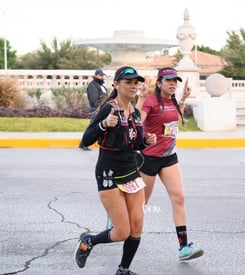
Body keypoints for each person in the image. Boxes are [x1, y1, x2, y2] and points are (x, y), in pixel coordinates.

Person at [75, 66, 156, 275]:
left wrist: (146, 141)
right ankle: (88, 242)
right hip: (109, 174)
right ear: (116, 85)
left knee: (136, 227)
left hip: (130, 172)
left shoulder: (135, 112)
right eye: (128, 82)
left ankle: (123, 270)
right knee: (122, 231)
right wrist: (103, 124)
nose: (133, 86)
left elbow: (134, 142)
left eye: (135, 82)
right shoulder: (109, 109)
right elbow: (85, 140)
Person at [135, 67, 204, 261]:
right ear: (159, 83)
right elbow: (138, 121)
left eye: (175, 80)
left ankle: (183, 247)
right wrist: (140, 97)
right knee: (141, 204)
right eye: (168, 80)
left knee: (179, 197)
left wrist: (183, 100)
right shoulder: (151, 101)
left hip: (169, 157)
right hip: (149, 158)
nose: (173, 83)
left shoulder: (172, 100)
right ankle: (118, 222)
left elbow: (175, 119)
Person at [80, 69, 108, 151]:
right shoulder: (93, 85)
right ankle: (84, 143)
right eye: (100, 75)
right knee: (92, 125)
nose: (102, 77)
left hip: (102, 108)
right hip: (96, 109)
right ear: (96, 75)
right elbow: (93, 99)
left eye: (102, 75)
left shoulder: (101, 85)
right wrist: (98, 108)